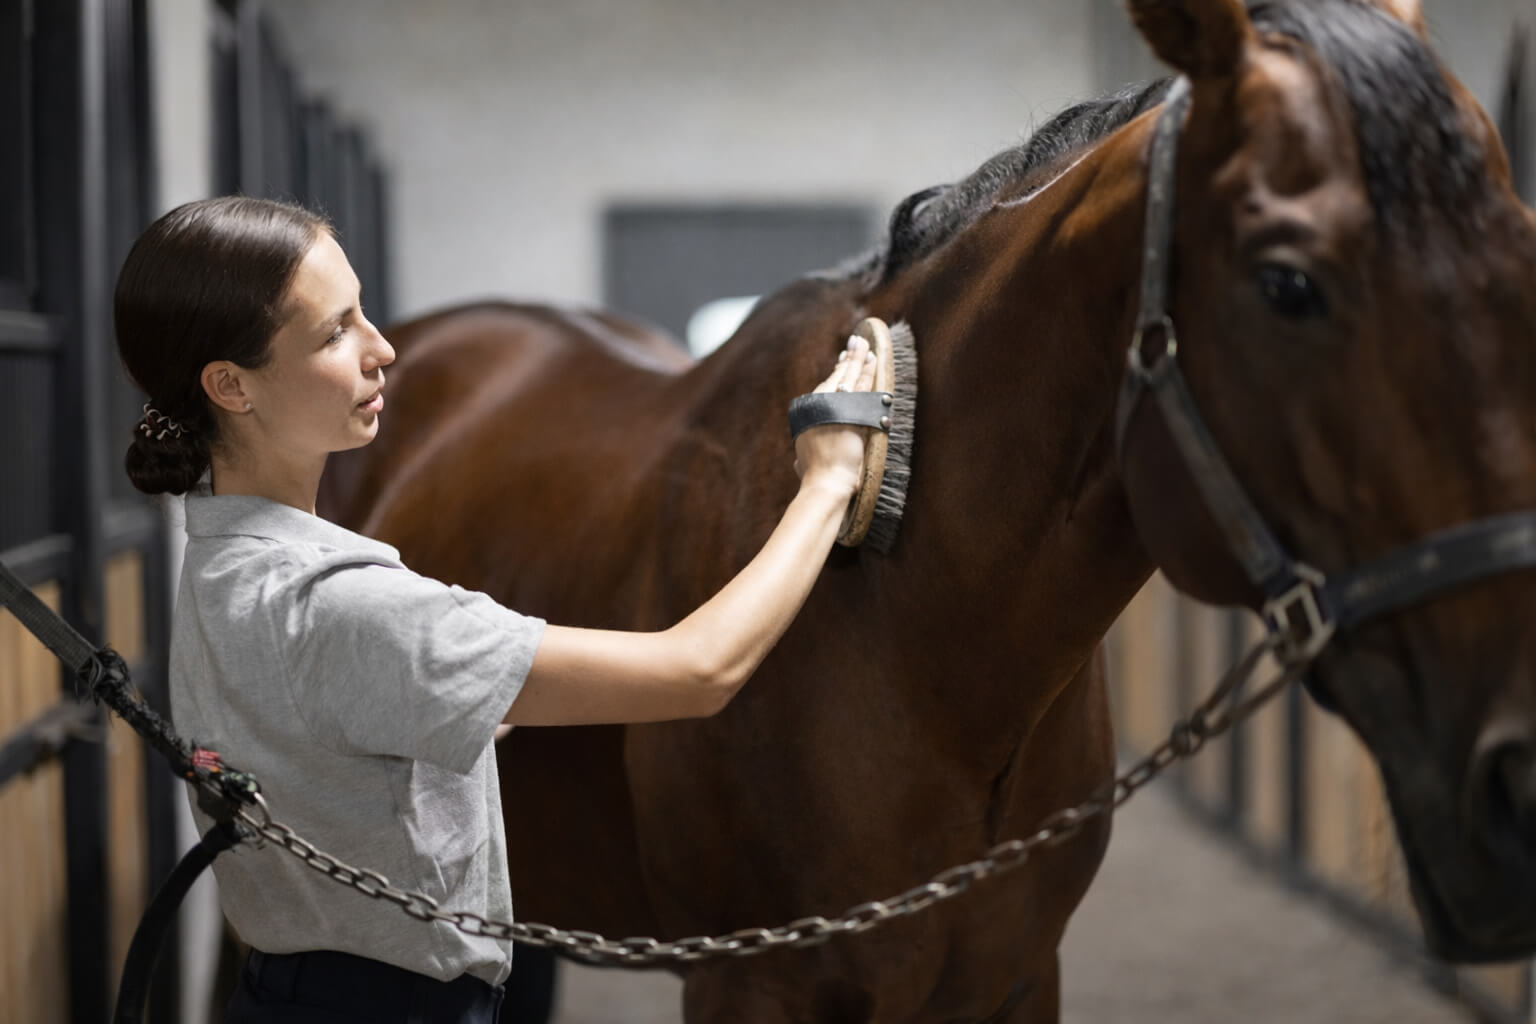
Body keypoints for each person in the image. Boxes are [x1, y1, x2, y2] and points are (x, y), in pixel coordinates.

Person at [113, 195, 879, 1023]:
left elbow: (340, 720)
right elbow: (702, 669)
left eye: (362, 312)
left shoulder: (223, 559)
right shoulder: (345, 605)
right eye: (335, 333)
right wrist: (828, 478)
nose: (382, 349)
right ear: (230, 385)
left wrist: (496, 681)